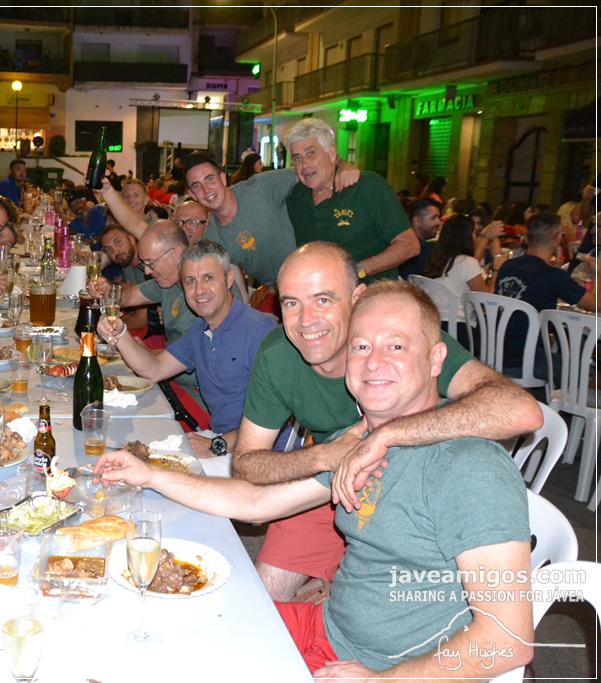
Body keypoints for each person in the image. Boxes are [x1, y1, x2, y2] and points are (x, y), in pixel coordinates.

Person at [94, 282, 534, 680]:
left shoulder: (470, 467)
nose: (374, 362)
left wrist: (382, 681)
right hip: (325, 630)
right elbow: (254, 502)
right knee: (145, 625)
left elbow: (508, 639)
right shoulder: (361, 443)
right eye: (361, 346)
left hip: (379, 670)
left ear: (436, 359)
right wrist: (150, 474)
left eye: (396, 346)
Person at [234, 242, 543, 601]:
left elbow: (521, 410)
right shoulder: (278, 356)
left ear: (357, 299)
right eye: (291, 303)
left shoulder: (405, 342)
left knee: (373, 612)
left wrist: (386, 435)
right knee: (260, 601)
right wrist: (323, 457)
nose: (306, 320)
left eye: (323, 299)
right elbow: (246, 464)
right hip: (331, 487)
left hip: (414, 500)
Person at [97, 240, 277, 459]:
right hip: (220, 440)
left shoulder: (260, 331)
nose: (199, 290)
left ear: (229, 279)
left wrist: (216, 446)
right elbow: (155, 369)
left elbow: (279, 416)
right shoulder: (201, 327)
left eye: (208, 278)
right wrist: (120, 333)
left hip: (259, 453)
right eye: (190, 281)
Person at [185, 149, 359, 286]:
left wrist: (342, 165)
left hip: (317, 275)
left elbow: (307, 171)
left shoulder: (260, 188)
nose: (206, 190)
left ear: (222, 178)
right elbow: (232, 280)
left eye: (210, 179)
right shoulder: (212, 239)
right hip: (277, 293)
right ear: (192, 195)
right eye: (197, 186)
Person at [284, 118, 419, 281]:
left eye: (311, 153)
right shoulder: (294, 196)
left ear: (331, 153)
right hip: (319, 293)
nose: (305, 164)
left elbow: (409, 245)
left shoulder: (367, 187)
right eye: (297, 158)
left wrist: (358, 270)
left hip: (371, 292)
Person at [495, 212, 596, 377]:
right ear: (557, 238)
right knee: (590, 374)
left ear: (527, 237)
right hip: (528, 359)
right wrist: (598, 273)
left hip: (496, 352)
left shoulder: (507, 266)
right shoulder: (553, 276)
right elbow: (596, 304)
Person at [422, 215, 495, 346]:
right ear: (467, 237)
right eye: (474, 233)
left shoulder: (434, 260)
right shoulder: (467, 262)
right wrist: (496, 270)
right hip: (459, 329)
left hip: (431, 326)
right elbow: (486, 300)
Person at [398, 198, 442, 280]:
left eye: (439, 218)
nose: (439, 222)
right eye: (433, 218)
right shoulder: (422, 250)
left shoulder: (402, 242)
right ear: (417, 221)